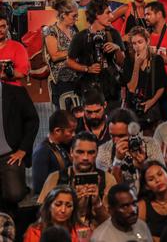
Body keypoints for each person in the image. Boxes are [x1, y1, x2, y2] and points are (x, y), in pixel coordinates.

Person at [38, 132, 116, 227]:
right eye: (80, 152)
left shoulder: (108, 179)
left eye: (91, 152)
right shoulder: (55, 178)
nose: (85, 158)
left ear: (97, 153)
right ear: (71, 152)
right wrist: (72, 204)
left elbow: (113, 224)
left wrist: (97, 204)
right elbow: (43, 218)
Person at [67, 0, 126, 108]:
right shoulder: (80, 37)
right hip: (89, 88)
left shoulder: (114, 34)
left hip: (112, 89)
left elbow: (122, 63)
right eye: (108, 13)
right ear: (97, 15)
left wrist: (117, 48)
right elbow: (69, 61)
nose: (112, 16)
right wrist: (87, 69)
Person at [96, 109, 164, 195]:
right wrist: (117, 161)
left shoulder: (150, 144)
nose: (116, 141)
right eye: (112, 135)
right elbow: (109, 189)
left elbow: (161, 180)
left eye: (121, 136)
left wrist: (143, 165)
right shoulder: (103, 150)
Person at [0, 79, 39, 213]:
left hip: (10, 154)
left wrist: (23, 149)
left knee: (15, 194)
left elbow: (33, 120)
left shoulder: (16, 93)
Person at [123, 27, 167, 133]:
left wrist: (151, 102)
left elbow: (162, 87)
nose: (137, 46)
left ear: (147, 41)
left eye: (140, 42)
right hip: (133, 107)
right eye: (134, 43)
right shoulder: (129, 61)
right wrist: (137, 65)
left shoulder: (157, 60)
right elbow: (132, 88)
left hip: (152, 107)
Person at [43, 0, 79, 108]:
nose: (76, 19)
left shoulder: (74, 30)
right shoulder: (51, 31)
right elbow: (54, 56)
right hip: (61, 80)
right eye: (74, 16)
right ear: (63, 15)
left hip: (77, 76)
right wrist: (75, 51)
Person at [32, 110, 77, 195]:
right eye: (70, 131)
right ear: (57, 131)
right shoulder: (42, 152)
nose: (74, 134)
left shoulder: (63, 145)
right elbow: (40, 189)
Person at [24, 186, 90, 242]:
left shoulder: (82, 231)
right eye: (58, 204)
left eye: (69, 205)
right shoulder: (35, 231)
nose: (63, 210)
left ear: (73, 209)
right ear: (49, 206)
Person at [137, 161, 167, 241]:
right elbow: (137, 234)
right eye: (151, 179)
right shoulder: (142, 205)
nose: (157, 180)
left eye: (160, 174)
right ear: (147, 186)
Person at [0, 11, 30, 86]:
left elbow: (21, 73)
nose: (0, 30)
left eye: (3, 26)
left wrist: (3, 76)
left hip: (10, 90)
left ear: (8, 27)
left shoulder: (18, 47)